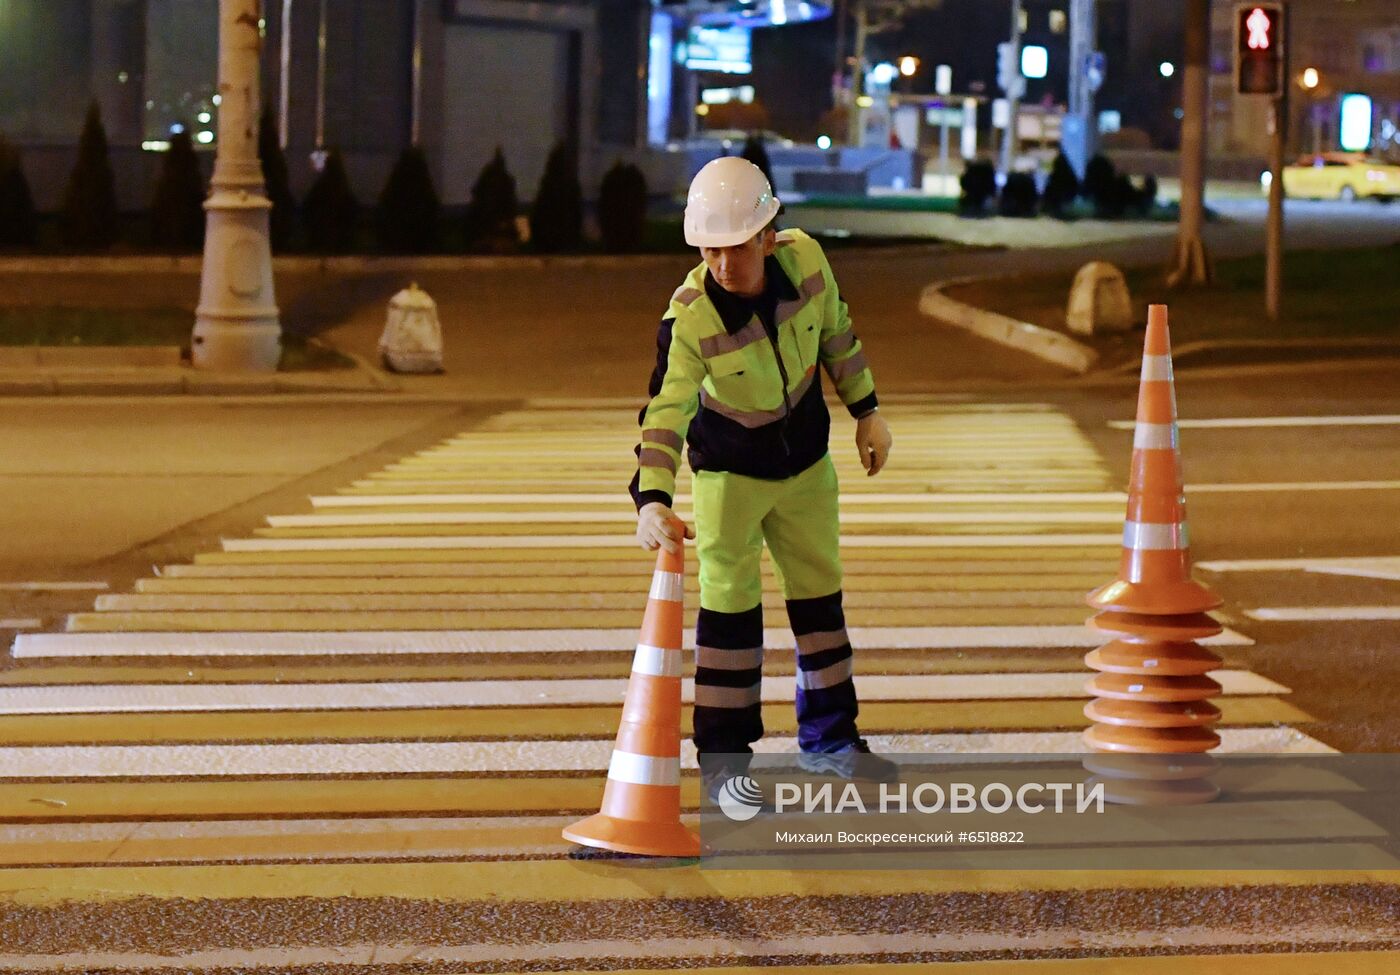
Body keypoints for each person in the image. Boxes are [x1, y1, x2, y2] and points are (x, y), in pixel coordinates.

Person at [629, 157, 898, 795]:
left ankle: (831, 740)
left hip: (805, 466)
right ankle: (725, 766)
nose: (724, 265)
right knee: (728, 620)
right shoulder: (690, 316)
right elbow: (665, 411)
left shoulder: (808, 263)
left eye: (736, 247)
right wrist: (651, 498)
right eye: (710, 249)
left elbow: (838, 336)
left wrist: (868, 411)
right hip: (729, 477)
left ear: (767, 236)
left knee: (820, 605)